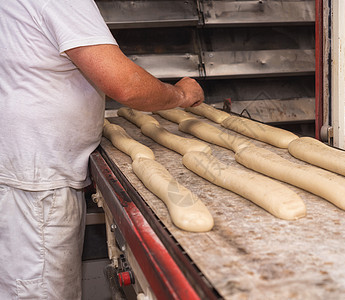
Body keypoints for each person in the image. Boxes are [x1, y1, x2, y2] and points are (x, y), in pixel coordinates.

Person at [0, 0, 204, 299]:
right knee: (39, 291)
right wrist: (182, 94)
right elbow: (126, 86)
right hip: (37, 182)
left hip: (21, 168)